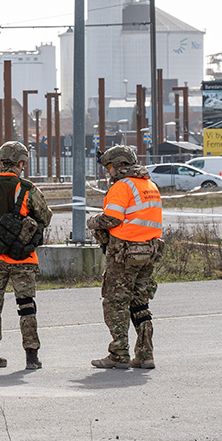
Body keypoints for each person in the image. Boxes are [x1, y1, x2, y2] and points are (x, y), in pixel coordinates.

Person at [86, 144, 165, 369]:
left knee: (115, 302)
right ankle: (145, 354)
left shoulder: (122, 186)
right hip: (148, 252)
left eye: (109, 167)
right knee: (140, 302)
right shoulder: (149, 184)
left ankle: (118, 354)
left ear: (120, 164)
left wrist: (92, 222)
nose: (108, 172)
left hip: (124, 254)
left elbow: (112, 218)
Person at [0, 140, 52, 370]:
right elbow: (45, 216)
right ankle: (32, 357)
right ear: (21, 162)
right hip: (22, 258)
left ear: (0, 161)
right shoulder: (28, 188)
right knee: (26, 306)